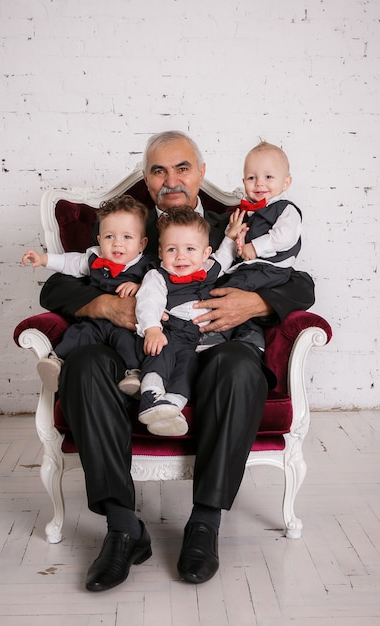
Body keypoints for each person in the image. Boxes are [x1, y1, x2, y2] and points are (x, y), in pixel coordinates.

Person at [39, 130, 315, 591]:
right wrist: (107, 306)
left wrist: (256, 304)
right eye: (158, 170)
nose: (171, 179)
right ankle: (123, 526)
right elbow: (59, 284)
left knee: (241, 367)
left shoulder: (241, 220)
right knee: (84, 366)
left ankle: (204, 524)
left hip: (209, 348)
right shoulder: (127, 223)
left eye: (182, 167)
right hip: (133, 351)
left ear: (202, 174)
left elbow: (300, 281)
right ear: (146, 181)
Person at [22, 195, 156, 395]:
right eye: (110, 237)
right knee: (78, 334)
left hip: (125, 324)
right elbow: (68, 263)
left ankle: (133, 375)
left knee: (129, 343)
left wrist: (139, 286)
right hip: (96, 319)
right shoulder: (93, 258)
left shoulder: (147, 266)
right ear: (100, 240)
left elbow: (159, 285)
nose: (117, 244)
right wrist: (43, 259)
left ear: (142, 243)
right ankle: (55, 363)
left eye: (127, 237)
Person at [135, 205, 244, 437]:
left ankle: (172, 406)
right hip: (171, 330)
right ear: (161, 251)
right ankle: (150, 395)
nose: (181, 256)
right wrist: (153, 329)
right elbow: (149, 302)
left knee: (188, 367)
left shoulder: (208, 268)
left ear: (205, 254)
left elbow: (225, 255)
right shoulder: (157, 275)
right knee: (160, 352)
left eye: (190, 249)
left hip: (196, 339)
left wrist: (232, 235)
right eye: (172, 249)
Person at [218, 140, 302, 350]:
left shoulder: (286, 210)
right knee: (224, 286)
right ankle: (244, 334)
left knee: (232, 291)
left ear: (286, 182)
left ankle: (223, 333)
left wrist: (254, 247)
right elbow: (239, 246)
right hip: (252, 266)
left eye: (269, 177)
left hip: (271, 268)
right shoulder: (247, 213)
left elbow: (284, 236)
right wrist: (235, 238)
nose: (259, 184)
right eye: (252, 178)